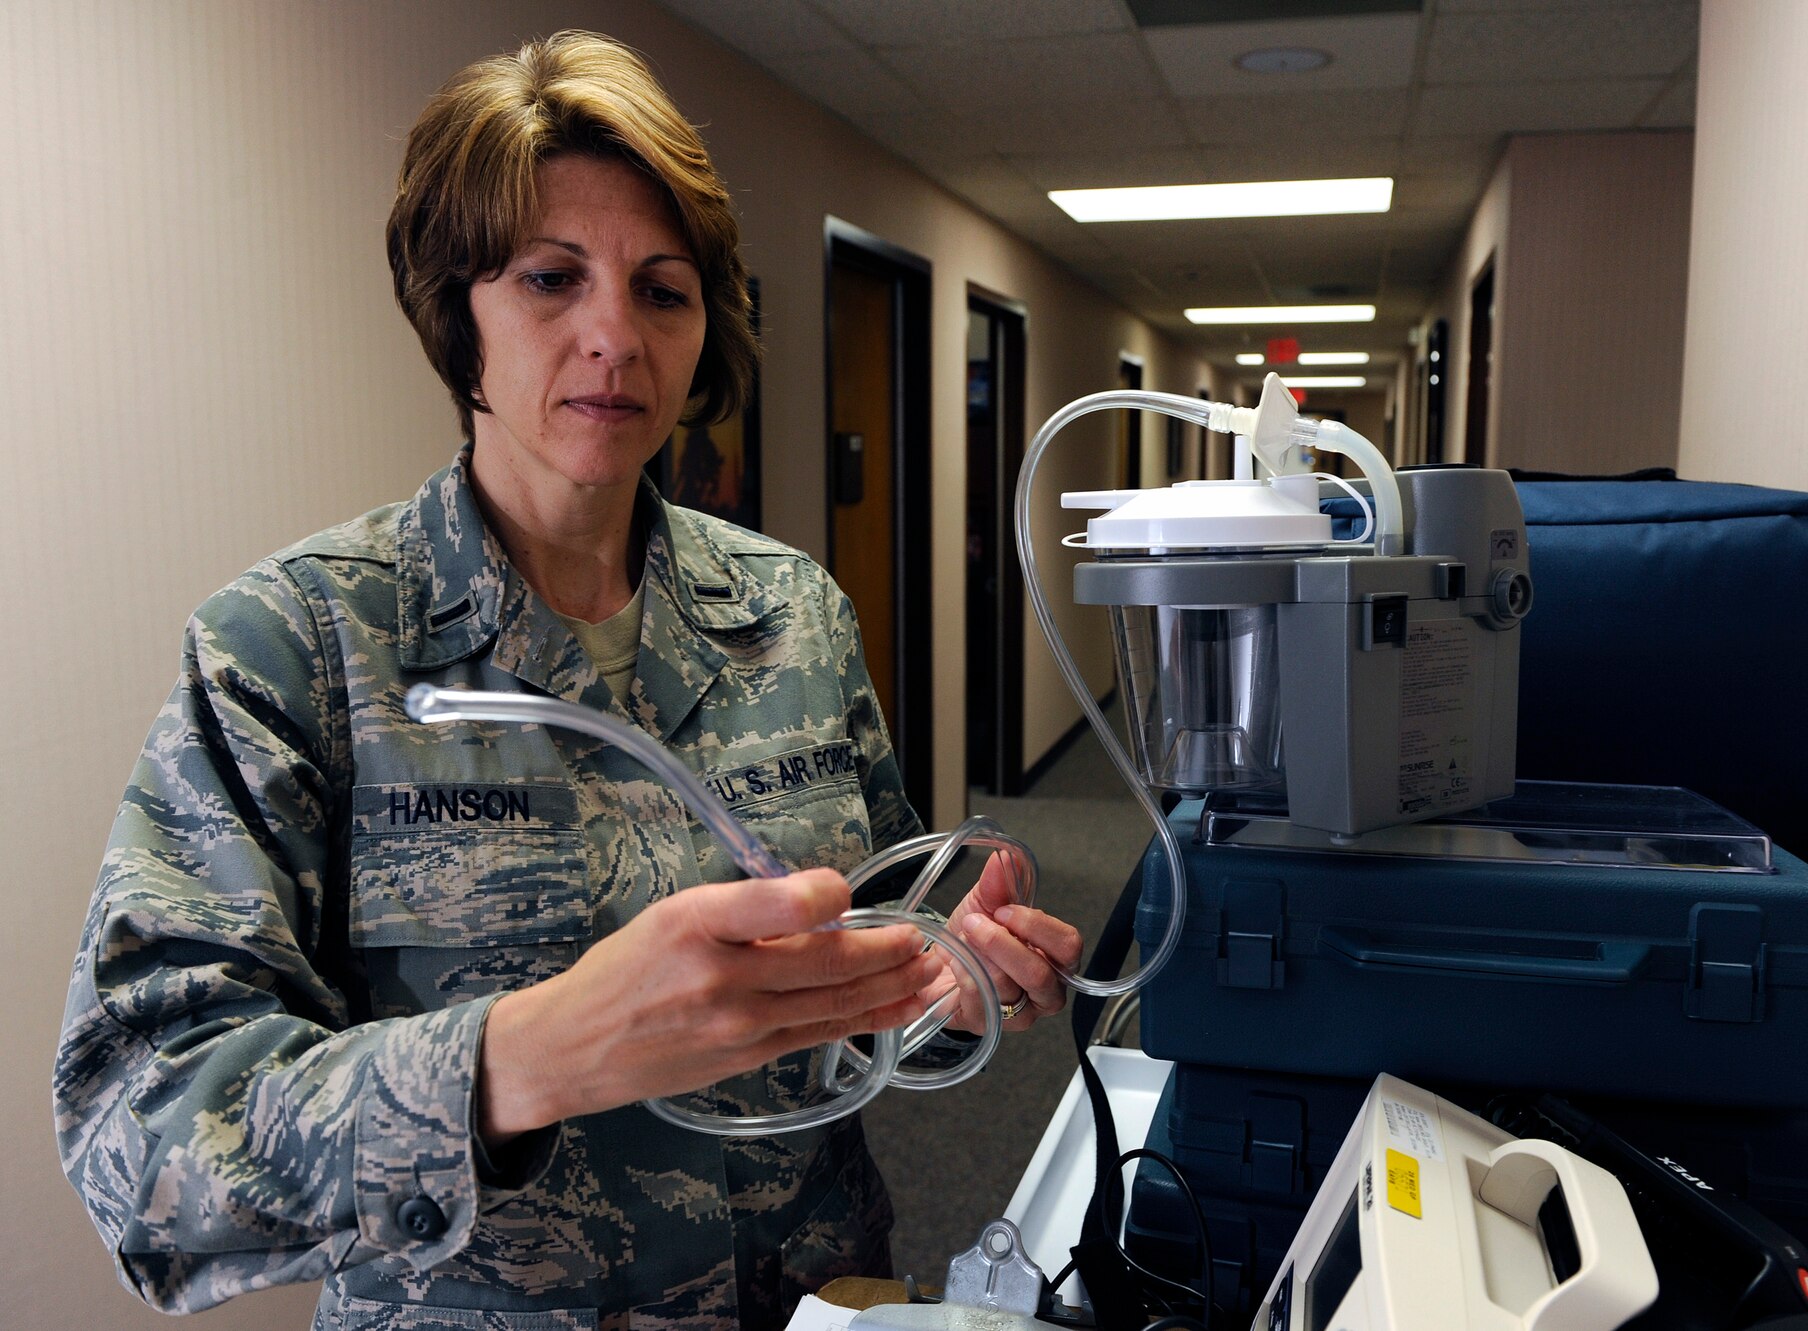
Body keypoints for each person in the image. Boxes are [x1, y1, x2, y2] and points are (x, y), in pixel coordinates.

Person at [54, 31, 1081, 1330]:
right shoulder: (296, 648)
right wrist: (520, 1061)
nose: (616, 335)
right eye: (551, 279)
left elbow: (858, 998)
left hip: (809, 1299)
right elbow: (134, 1141)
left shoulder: (792, 615)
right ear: (455, 310)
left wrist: (947, 986)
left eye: (663, 291)